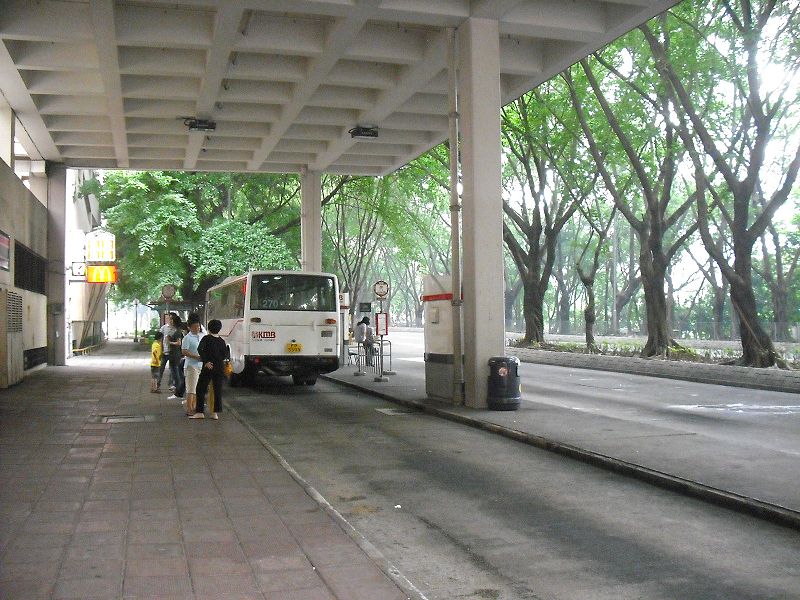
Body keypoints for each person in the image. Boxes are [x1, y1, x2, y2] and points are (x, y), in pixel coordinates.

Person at [191, 319, 228, 420]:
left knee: (200, 388)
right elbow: (225, 354)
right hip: (219, 367)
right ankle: (215, 413)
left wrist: (206, 361)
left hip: (208, 367)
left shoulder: (206, 338)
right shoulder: (222, 341)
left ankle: (200, 412)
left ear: (209, 328)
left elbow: (200, 349)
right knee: (217, 390)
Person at [181, 314, 204, 415]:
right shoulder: (187, 338)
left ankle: (194, 406)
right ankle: (189, 408)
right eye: (195, 326)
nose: (197, 328)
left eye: (198, 326)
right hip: (191, 366)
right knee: (191, 388)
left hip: (200, 365)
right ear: (189, 327)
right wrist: (196, 357)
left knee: (197, 388)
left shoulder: (201, 336)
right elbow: (184, 351)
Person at [168, 322, 189, 401]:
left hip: (184, 358)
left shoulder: (185, 335)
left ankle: (179, 392)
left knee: (181, 376)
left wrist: (169, 342)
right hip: (183, 358)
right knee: (183, 377)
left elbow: (180, 344)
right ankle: (179, 392)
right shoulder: (186, 335)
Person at [158, 313, 179, 391]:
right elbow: (160, 339)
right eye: (167, 318)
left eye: (170, 318)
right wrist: (161, 350)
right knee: (160, 368)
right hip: (164, 352)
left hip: (172, 352)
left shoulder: (175, 329)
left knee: (171, 370)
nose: (169, 320)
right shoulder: (163, 328)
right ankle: (157, 384)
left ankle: (171, 385)